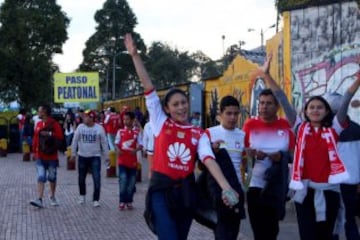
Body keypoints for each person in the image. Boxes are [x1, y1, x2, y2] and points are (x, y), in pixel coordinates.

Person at [125, 33, 238, 240]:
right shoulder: (160, 123)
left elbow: (209, 160)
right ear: (166, 109)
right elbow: (148, 87)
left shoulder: (198, 133)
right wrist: (134, 56)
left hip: (186, 194)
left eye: (184, 102)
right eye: (175, 104)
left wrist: (226, 188)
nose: (181, 107)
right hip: (160, 192)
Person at [261, 53, 360, 240]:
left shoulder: (335, 129)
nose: (315, 110)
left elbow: (346, 98)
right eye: (311, 107)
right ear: (305, 111)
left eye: (320, 107)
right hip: (304, 192)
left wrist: (358, 81)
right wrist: (267, 76)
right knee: (307, 235)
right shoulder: (299, 128)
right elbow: (282, 98)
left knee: (326, 236)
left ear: (327, 111)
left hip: (330, 192)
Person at [242, 88, 295, 240]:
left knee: (272, 230)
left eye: (269, 103)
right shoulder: (250, 125)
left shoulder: (286, 126)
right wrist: (249, 153)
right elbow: (242, 154)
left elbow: (294, 155)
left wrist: (281, 157)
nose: (264, 107)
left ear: (277, 106)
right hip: (254, 185)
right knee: (258, 230)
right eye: (262, 103)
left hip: (276, 187)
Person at [204, 95, 246, 240]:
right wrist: (212, 150)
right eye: (228, 113)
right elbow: (200, 164)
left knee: (233, 232)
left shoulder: (243, 135)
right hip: (218, 190)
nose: (233, 117)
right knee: (222, 232)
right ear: (220, 114)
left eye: (236, 113)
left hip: (237, 189)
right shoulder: (209, 133)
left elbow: (245, 163)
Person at [325, 93, 360, 240]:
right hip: (353, 182)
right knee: (350, 220)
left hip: (333, 183)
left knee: (333, 222)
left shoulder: (328, 131)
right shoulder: (357, 129)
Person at [70, 110, 109, 207]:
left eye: (86, 117)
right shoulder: (80, 127)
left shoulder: (99, 128)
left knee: (96, 178)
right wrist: (73, 154)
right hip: (82, 156)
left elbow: (104, 143)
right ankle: (82, 195)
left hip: (95, 156)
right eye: (84, 117)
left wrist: (107, 156)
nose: (84, 118)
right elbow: (74, 141)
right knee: (81, 177)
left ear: (92, 118)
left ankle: (96, 199)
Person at [30, 104, 64, 208]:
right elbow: (36, 138)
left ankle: (52, 196)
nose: (38, 113)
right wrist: (34, 151)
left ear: (44, 112)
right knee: (41, 176)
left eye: (39, 111)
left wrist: (49, 134)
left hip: (52, 156)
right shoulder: (38, 124)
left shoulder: (54, 124)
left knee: (52, 177)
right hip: (40, 156)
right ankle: (39, 199)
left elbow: (60, 137)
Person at [115, 111, 143, 210]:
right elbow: (117, 143)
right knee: (123, 180)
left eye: (127, 119)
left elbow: (141, 145)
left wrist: (135, 150)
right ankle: (122, 201)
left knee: (131, 182)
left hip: (132, 162)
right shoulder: (120, 132)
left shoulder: (137, 132)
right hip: (122, 161)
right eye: (124, 119)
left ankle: (129, 201)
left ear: (132, 120)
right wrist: (118, 150)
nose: (125, 121)